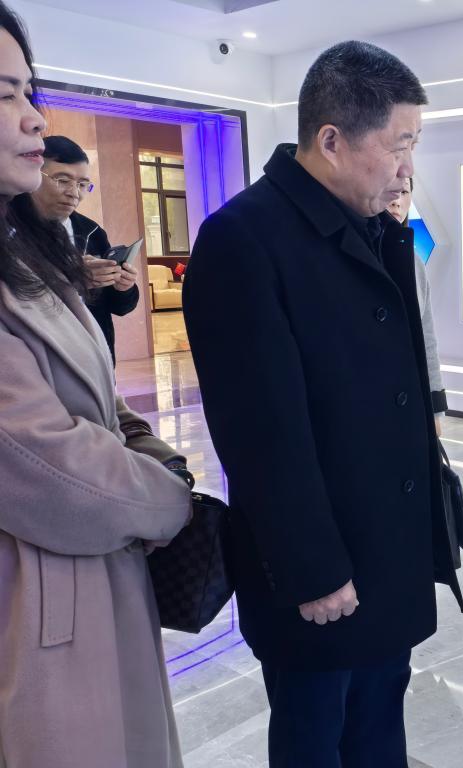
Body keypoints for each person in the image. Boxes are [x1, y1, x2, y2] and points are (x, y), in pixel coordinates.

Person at [183, 40, 460, 768]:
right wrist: (311, 567)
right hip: (321, 569)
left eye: (414, 145)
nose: (408, 169)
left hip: (385, 553)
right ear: (331, 141)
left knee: (378, 727)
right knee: (315, 735)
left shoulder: (372, 228)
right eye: (399, 145)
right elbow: (260, 432)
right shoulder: (244, 240)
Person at [0, 5, 193, 767]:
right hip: (38, 598)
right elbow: (50, 465)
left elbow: (96, 400)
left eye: (30, 92)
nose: (34, 119)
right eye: (4, 95)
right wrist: (168, 500)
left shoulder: (27, 249)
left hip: (87, 581)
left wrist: (150, 449)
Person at [29, 135, 140, 365]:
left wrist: (124, 287)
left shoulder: (92, 231)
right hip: (39, 359)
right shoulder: (11, 230)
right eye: (62, 180)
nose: (74, 193)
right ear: (33, 174)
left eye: (82, 184)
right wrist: (72, 278)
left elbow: (119, 307)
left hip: (94, 357)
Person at [386, 176, 447, 432]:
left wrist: (436, 410)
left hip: (410, 398)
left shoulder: (414, 262)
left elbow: (426, 339)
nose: (397, 202)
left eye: (404, 192)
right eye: (390, 191)